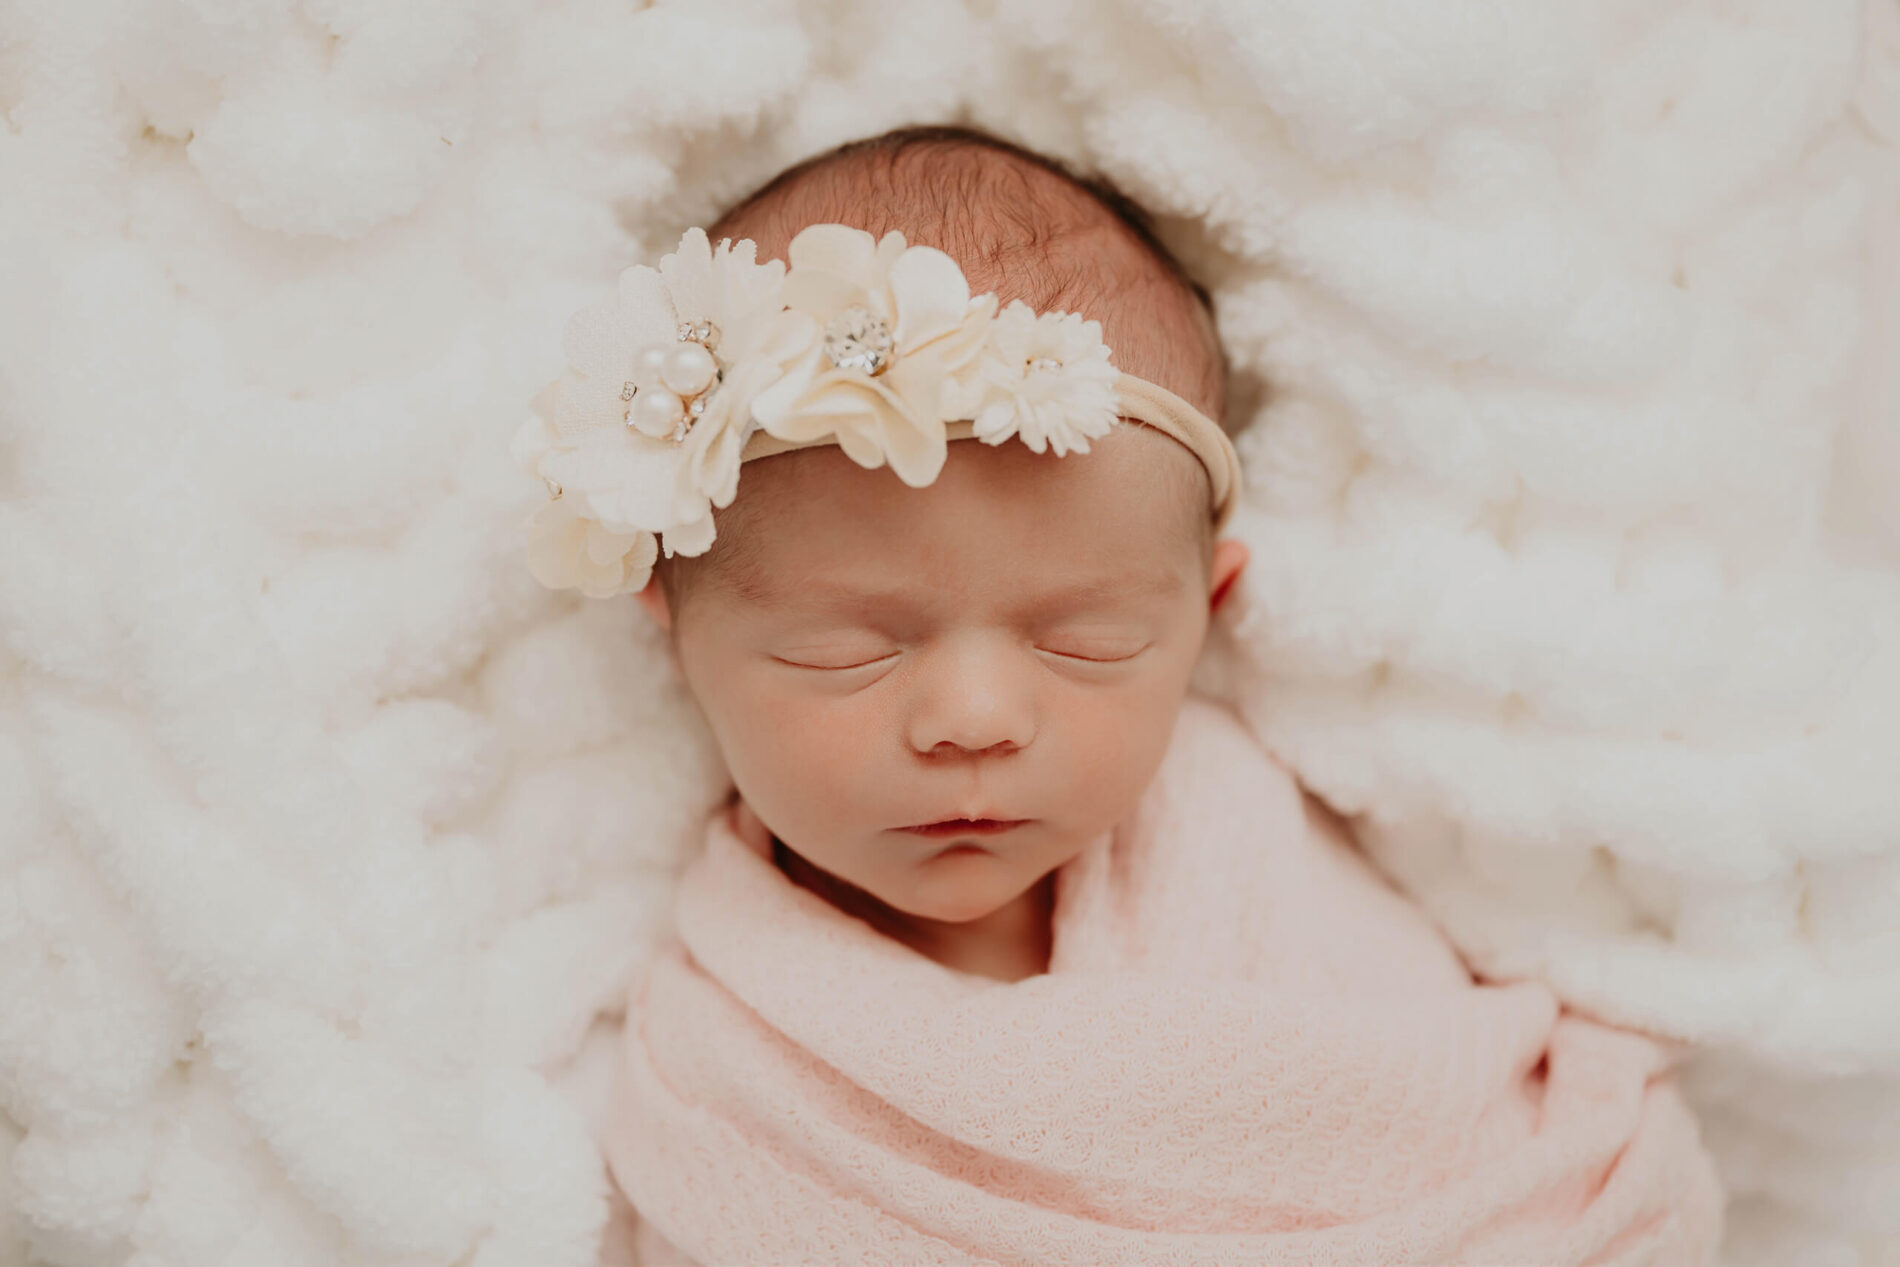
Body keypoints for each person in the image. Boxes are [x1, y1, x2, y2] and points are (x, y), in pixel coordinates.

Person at [516, 126, 1723, 1265]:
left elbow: (1500, 1161)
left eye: (1085, 642)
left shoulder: (1250, 853)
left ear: (1207, 611)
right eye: (845, 651)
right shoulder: (719, 1069)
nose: (974, 719)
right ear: (672, 627)